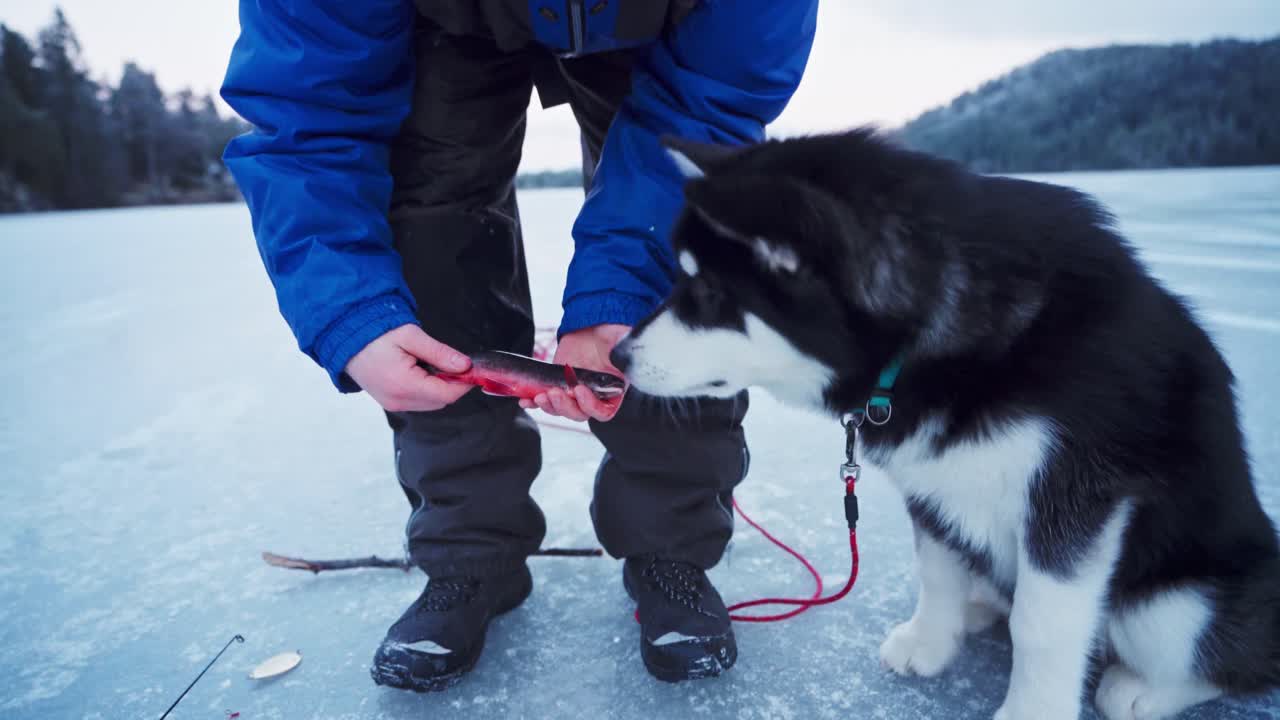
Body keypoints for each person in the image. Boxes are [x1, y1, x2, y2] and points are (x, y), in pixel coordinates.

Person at [221, 0, 817, 690]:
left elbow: (707, 111)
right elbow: (309, 115)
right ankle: (470, 555)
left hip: (661, 23)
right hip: (441, 19)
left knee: (678, 241)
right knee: (430, 222)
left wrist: (618, 299)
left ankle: (671, 548)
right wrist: (352, 312)